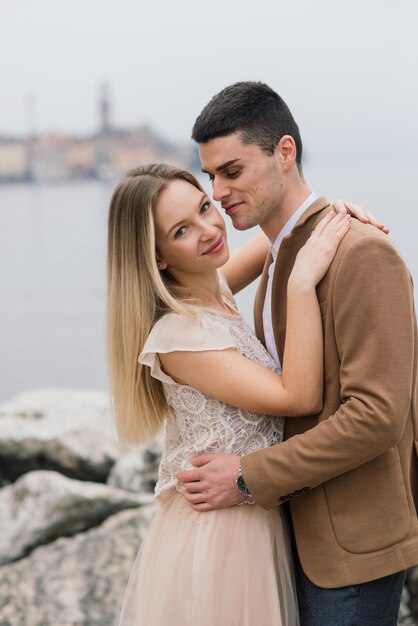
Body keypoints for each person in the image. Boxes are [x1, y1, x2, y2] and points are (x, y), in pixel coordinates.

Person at [177, 81, 418, 626]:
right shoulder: (281, 254)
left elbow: (378, 416)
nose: (218, 190)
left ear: (285, 152)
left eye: (232, 171)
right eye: (210, 176)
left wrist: (247, 476)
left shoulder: (362, 254)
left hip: (350, 547)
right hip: (288, 535)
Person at [107, 163, 361, 625]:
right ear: (157, 256)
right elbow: (299, 397)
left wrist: (339, 215)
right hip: (219, 537)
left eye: (205, 207)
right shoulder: (180, 335)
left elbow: (287, 223)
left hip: (249, 517)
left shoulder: (214, 290)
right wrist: (302, 283)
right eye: (182, 229)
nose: (209, 230)